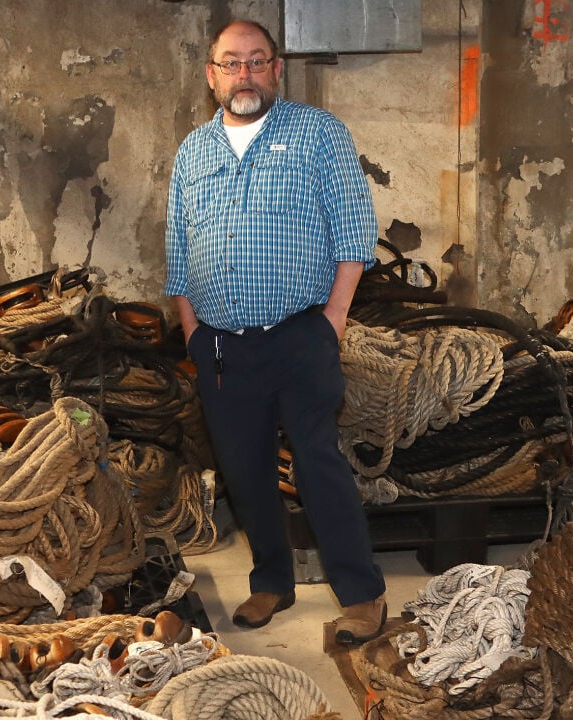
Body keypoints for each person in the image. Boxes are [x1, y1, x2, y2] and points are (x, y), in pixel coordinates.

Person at [165, 18, 387, 645]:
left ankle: (363, 594)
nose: (245, 74)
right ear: (211, 74)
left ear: (276, 68)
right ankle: (271, 582)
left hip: (299, 334)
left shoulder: (318, 135)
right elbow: (177, 252)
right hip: (219, 343)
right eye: (231, 63)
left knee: (318, 465)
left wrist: (334, 320)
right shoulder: (193, 152)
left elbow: (353, 230)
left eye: (257, 61)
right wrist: (191, 333)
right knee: (244, 468)